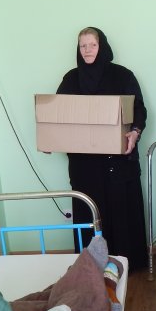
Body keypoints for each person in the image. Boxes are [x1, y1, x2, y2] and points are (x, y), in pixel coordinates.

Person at [57, 26, 148, 269]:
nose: (87, 50)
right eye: (83, 46)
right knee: (89, 213)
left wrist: (135, 132)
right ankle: (91, 267)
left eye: (92, 45)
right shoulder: (70, 80)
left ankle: (126, 265)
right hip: (85, 167)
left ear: (102, 46)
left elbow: (138, 109)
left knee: (121, 213)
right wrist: (52, 139)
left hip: (118, 162)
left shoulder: (122, 76)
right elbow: (58, 116)